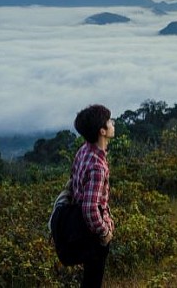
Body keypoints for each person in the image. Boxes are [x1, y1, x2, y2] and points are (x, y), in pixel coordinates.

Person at [71, 104, 116, 288]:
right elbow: (90, 208)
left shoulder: (84, 150)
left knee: (90, 279)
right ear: (102, 131)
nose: (113, 123)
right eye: (109, 122)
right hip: (92, 233)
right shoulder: (97, 166)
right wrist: (104, 232)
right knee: (93, 280)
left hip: (81, 226)